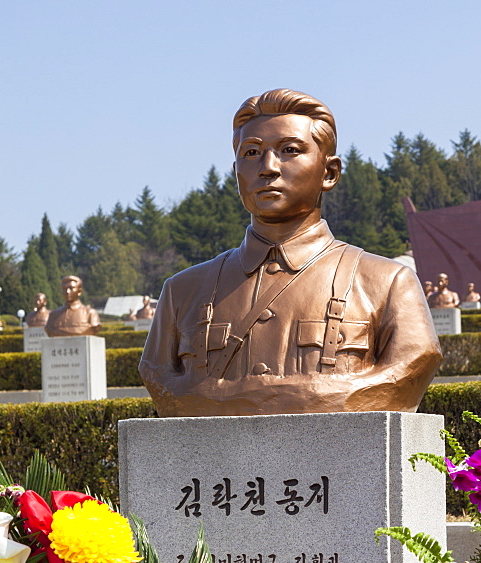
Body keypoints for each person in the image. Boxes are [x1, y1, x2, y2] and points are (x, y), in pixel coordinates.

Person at [140, 89, 441, 416]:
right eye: (252, 152)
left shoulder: (389, 283)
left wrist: (228, 398)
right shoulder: (182, 291)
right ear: (236, 171)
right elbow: (160, 378)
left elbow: (407, 369)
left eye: (290, 150)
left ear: (329, 173)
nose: (267, 167)